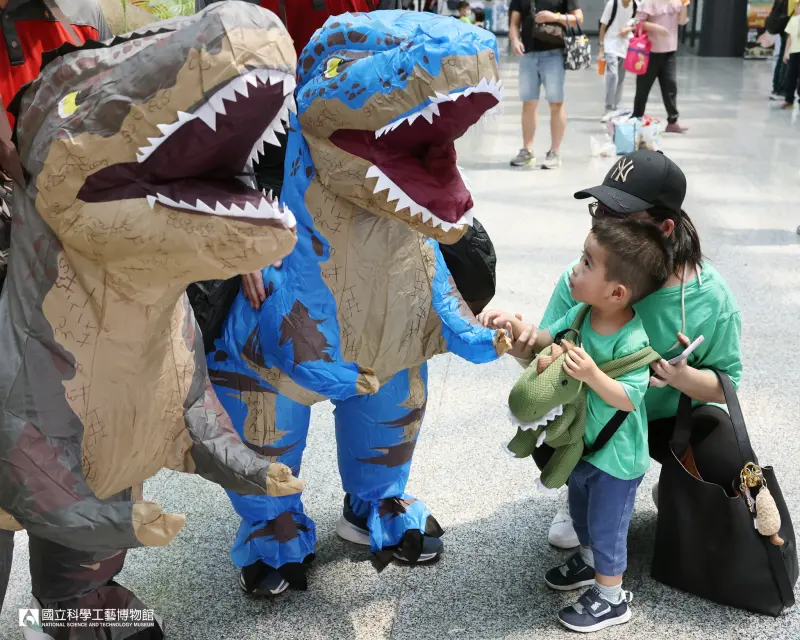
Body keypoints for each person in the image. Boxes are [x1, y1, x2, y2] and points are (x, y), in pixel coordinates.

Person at [480, 150, 743, 552]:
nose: (601, 224)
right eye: (598, 210)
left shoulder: (711, 297)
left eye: (617, 217)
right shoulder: (587, 276)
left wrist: (681, 377)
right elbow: (547, 351)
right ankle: (579, 489)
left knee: (724, 453)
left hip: (664, 419)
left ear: (665, 227)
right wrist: (521, 343)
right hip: (598, 414)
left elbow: (727, 386)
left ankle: (678, 490)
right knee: (542, 417)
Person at [500, 216, 671, 632]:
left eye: (587, 263)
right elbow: (548, 340)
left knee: (607, 526)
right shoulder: (580, 313)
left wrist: (593, 376)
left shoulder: (632, 340)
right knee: (580, 509)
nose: (575, 269)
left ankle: (612, 598)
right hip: (581, 444)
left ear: (617, 292)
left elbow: (629, 397)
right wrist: (518, 329)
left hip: (616, 456)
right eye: (582, 258)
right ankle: (590, 561)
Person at [508, 0, 584, 169]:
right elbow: (514, 23)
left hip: (554, 54)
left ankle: (554, 152)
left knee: (556, 102)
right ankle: (527, 150)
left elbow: (578, 18)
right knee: (528, 103)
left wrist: (554, 17)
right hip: (528, 54)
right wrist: (514, 40)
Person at [627, 0, 689, 133]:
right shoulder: (649, 1)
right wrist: (656, 28)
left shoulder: (676, 2)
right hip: (650, 52)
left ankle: (673, 121)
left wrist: (684, 6)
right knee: (643, 87)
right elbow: (637, 22)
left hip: (669, 51)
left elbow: (682, 21)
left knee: (670, 85)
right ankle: (637, 117)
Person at [598, 0, 637, 122]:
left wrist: (629, 28)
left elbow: (639, 23)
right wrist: (601, 48)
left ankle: (615, 107)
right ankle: (608, 108)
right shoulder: (612, 4)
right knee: (613, 75)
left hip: (625, 45)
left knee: (620, 78)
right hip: (610, 44)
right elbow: (603, 26)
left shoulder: (636, 5)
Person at [781, 0, 800, 109]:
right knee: (791, 77)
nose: (796, 8)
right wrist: (785, 52)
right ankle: (789, 100)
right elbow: (789, 38)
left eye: (798, 6)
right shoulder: (793, 20)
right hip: (794, 52)